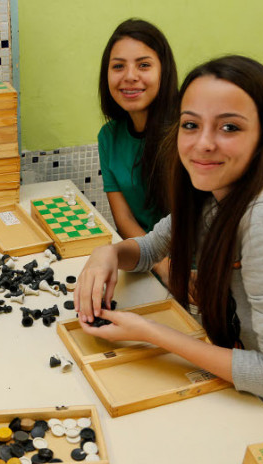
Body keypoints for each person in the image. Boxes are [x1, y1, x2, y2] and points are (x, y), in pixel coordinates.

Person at [74, 55, 263, 429]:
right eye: (191, 124)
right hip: (224, 379)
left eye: (229, 128)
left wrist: (149, 333)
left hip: (259, 415)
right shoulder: (215, 188)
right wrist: (105, 253)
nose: (203, 144)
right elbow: (152, 248)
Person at [97, 18, 178, 281]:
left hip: (193, 273)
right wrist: (161, 266)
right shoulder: (108, 137)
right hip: (145, 264)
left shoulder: (187, 132)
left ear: (163, 71)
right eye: (118, 66)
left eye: (144, 65)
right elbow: (124, 220)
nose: (130, 76)